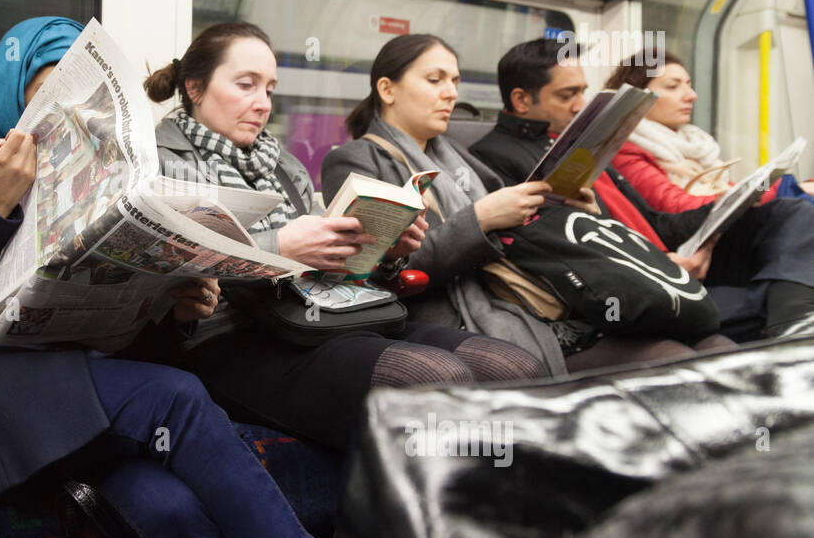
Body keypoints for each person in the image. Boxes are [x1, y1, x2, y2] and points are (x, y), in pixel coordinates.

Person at [0, 16, 345, 538]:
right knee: (179, 397)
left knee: (171, 508)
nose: (61, 113)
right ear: (11, 85)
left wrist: (173, 305)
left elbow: (117, 325)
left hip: (80, 392)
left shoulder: (98, 174)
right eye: (47, 91)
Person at [146, 22, 546, 447]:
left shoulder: (284, 165)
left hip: (320, 317)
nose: (262, 104)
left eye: (269, 90)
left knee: (513, 366)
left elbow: (339, 269)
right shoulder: (159, 164)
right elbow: (156, 281)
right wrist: (280, 248)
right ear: (194, 87)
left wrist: (384, 250)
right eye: (246, 86)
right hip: (234, 337)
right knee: (436, 379)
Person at [322, 33, 734, 375]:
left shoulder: (460, 157)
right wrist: (481, 219)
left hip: (535, 297)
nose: (450, 93)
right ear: (387, 89)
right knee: (674, 362)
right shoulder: (356, 160)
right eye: (435, 80)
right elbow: (373, 274)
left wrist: (568, 208)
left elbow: (523, 234)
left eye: (455, 80)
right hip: (469, 316)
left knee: (716, 346)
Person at [471, 38, 814, 341]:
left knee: (794, 213)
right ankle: (793, 327)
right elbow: (560, 252)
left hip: (666, 254)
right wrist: (661, 263)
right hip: (636, 279)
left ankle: (793, 324)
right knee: (769, 296)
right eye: (567, 95)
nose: (580, 105)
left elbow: (656, 221)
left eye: (582, 92)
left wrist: (733, 202)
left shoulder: (577, 143)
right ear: (521, 100)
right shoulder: (497, 159)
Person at [608, 48, 814, 211]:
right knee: (796, 209)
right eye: (673, 87)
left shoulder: (697, 145)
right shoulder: (624, 149)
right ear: (637, 96)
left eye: (689, 85)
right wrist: (781, 189)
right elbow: (676, 206)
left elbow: (729, 192)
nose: (691, 95)